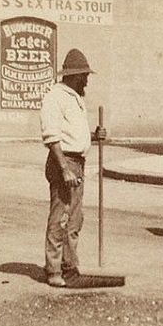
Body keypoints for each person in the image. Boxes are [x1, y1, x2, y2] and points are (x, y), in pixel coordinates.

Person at [40, 49, 106, 287]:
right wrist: (64, 170)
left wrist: (94, 136)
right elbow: (52, 137)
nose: (87, 80)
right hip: (64, 162)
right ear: (75, 76)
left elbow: (72, 135)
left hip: (76, 162)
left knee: (74, 219)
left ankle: (69, 267)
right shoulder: (55, 97)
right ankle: (53, 270)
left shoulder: (75, 98)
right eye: (84, 76)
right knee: (61, 218)